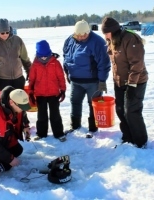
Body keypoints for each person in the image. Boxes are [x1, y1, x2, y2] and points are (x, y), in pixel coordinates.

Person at [101, 17, 148, 148]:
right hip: (120, 81)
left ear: (113, 31)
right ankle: (128, 138)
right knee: (120, 110)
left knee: (132, 112)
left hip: (136, 82)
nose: (104, 35)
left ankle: (140, 142)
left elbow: (137, 64)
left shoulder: (130, 39)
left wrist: (132, 85)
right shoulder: (112, 41)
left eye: (106, 33)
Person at [63, 19, 111, 138]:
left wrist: (102, 81)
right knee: (75, 101)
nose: (80, 37)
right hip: (75, 80)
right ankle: (75, 125)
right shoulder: (69, 40)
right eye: (78, 35)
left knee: (93, 104)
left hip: (93, 81)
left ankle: (93, 129)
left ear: (88, 32)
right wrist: (67, 73)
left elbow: (104, 63)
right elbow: (66, 57)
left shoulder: (98, 42)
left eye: (84, 35)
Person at [28, 40, 67, 142]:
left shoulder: (55, 63)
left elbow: (61, 77)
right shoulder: (35, 65)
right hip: (40, 94)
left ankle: (59, 133)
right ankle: (41, 133)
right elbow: (31, 79)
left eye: (46, 55)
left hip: (54, 94)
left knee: (55, 115)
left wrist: (62, 90)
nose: (44, 58)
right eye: (42, 56)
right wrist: (31, 92)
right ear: (38, 55)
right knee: (41, 115)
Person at [0, 18, 32, 91]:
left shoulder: (17, 40)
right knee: (5, 102)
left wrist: (29, 71)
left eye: (7, 32)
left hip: (18, 79)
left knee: (19, 101)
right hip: (2, 80)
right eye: (2, 33)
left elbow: (25, 58)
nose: (5, 35)